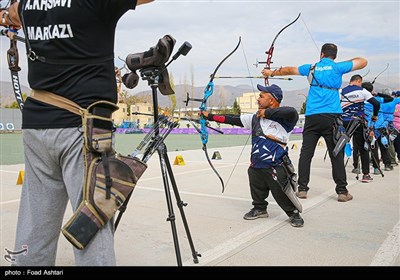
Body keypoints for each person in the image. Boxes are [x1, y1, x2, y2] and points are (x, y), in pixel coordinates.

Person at [1, 0, 154, 266]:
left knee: (35, 227)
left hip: (38, 127)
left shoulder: (25, 4)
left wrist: (7, 15)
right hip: (83, 132)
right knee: (91, 223)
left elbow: (9, 14)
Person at [261, 43, 367, 202]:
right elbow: (363, 61)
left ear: (322, 54)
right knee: (336, 154)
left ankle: (302, 189)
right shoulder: (338, 67)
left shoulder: (311, 68)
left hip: (312, 117)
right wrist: (342, 63)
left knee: (306, 153)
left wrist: (271, 72)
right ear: (334, 56)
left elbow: (290, 69)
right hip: (331, 117)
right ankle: (342, 192)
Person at [202, 84, 304, 227]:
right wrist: (211, 116)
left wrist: (267, 113)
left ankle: (293, 213)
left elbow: (292, 111)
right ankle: (260, 208)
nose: (258, 99)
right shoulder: (254, 118)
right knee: (256, 185)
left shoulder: (285, 120)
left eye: (262, 96)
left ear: (272, 100)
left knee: (280, 191)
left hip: (275, 164)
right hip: (256, 164)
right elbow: (232, 118)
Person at [340, 74, 380, 183]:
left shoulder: (341, 91)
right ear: (359, 81)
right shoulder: (363, 91)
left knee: (340, 147)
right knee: (363, 148)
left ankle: (340, 176)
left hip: (344, 123)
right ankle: (366, 175)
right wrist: (375, 116)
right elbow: (376, 104)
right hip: (358, 122)